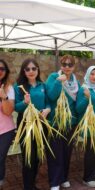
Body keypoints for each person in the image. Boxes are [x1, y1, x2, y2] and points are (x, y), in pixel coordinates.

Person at [14, 58, 51, 190]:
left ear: (37, 70)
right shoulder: (19, 86)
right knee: (28, 157)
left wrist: (47, 109)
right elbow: (16, 108)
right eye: (27, 69)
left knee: (37, 157)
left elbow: (48, 102)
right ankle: (28, 187)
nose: (31, 71)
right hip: (26, 125)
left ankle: (32, 184)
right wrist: (24, 102)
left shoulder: (43, 85)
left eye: (33, 68)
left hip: (41, 124)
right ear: (24, 71)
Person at [45, 55, 80, 190]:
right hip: (55, 123)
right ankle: (54, 181)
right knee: (55, 153)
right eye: (64, 64)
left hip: (70, 123)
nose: (67, 67)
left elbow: (75, 102)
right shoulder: (54, 77)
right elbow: (51, 96)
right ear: (61, 65)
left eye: (70, 65)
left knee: (66, 152)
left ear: (73, 67)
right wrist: (58, 82)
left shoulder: (75, 82)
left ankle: (64, 177)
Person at [76, 66, 95, 188]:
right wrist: (87, 98)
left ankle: (92, 174)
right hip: (88, 126)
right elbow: (78, 109)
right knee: (90, 152)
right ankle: (87, 178)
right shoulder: (83, 89)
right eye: (92, 74)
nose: (94, 76)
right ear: (88, 75)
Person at [0, 59, 15, 188]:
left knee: (0, 158)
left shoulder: (9, 88)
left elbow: (8, 111)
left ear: (6, 72)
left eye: (2, 69)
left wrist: (3, 97)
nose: (0, 71)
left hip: (5, 130)